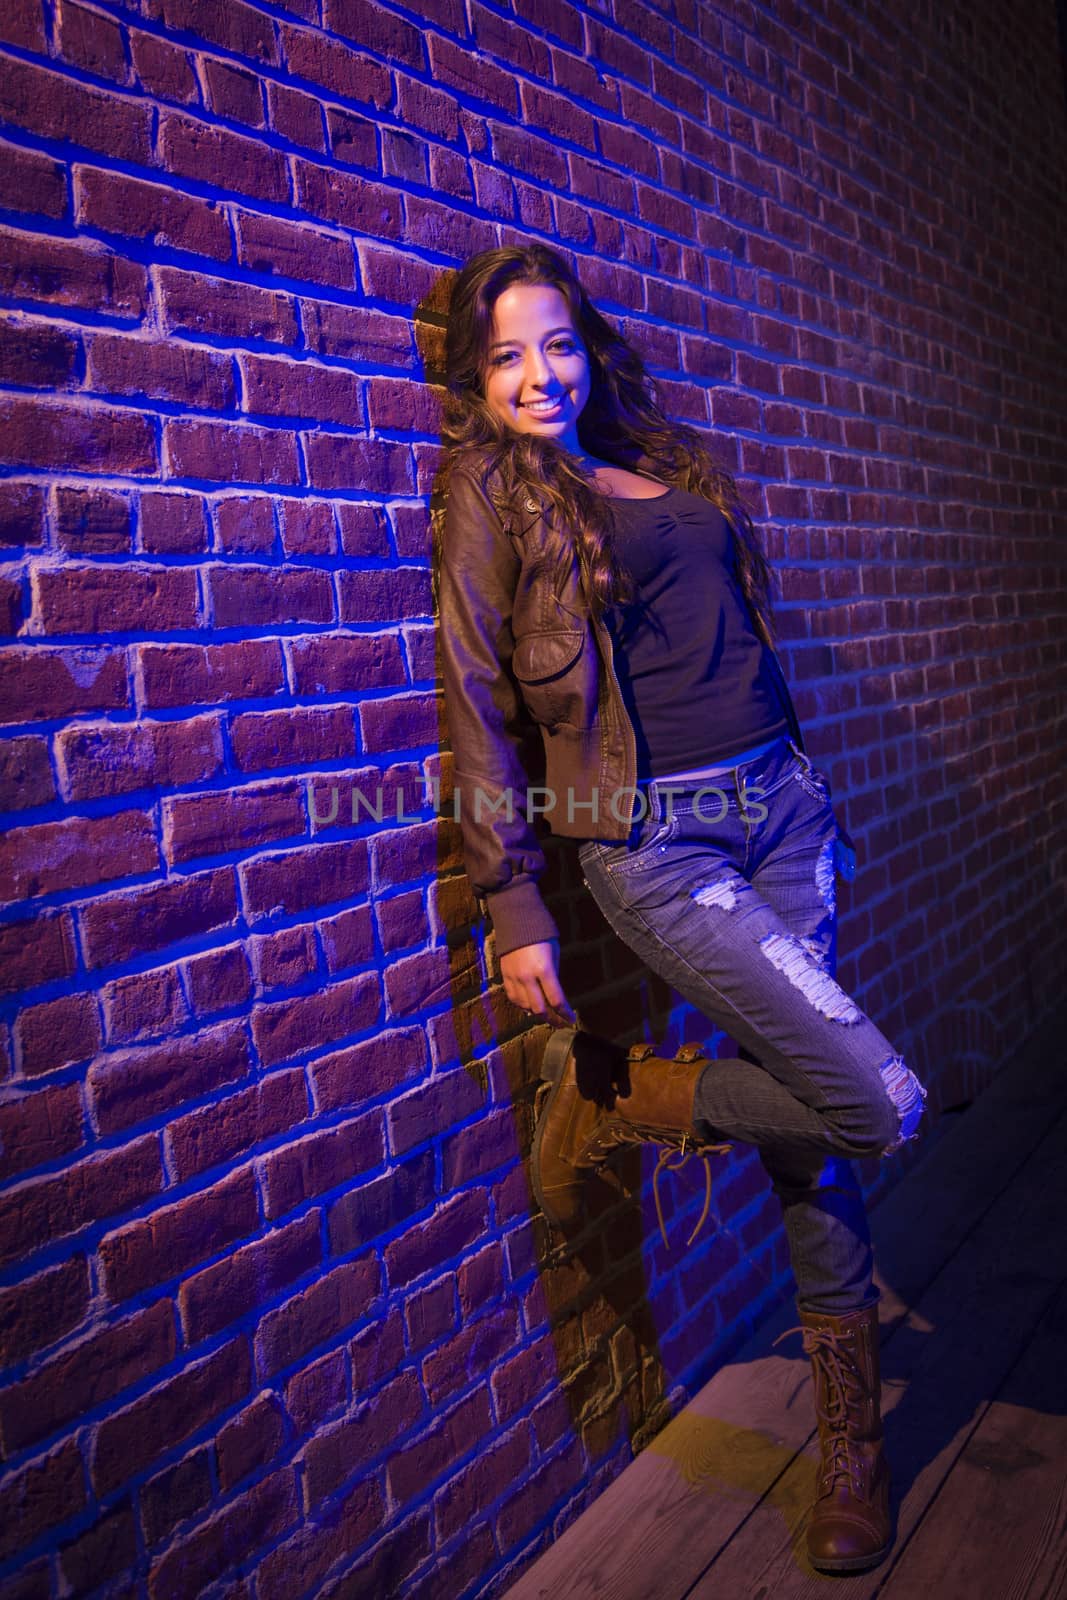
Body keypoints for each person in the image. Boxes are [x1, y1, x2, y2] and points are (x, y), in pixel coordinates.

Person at [433, 243, 929, 1574]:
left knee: (815, 1126)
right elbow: (475, 704)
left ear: (590, 349)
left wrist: (804, 786)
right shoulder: (488, 493)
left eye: (555, 343)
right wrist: (510, 898)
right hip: (663, 845)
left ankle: (850, 1448)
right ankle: (620, 1097)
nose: (537, 373)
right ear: (475, 379)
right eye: (504, 354)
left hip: (784, 810)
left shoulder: (665, 469)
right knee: (875, 1100)